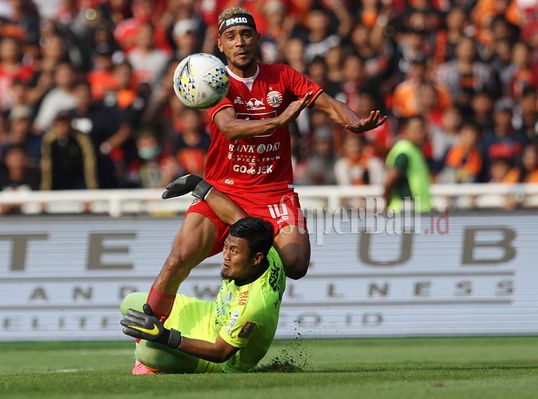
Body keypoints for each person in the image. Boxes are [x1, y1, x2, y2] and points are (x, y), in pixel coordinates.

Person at [144, 6, 386, 323]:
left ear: (257, 38)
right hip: (223, 193)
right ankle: (147, 338)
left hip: (274, 193)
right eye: (231, 37)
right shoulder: (215, 82)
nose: (240, 42)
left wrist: (353, 122)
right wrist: (279, 119)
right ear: (220, 44)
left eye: (245, 34)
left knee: (296, 263)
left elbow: (325, 102)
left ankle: (238, 298)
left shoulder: (282, 75)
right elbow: (229, 127)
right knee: (178, 259)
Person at [121, 179, 284, 374]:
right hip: (211, 316)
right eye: (226, 246)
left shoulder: (253, 306)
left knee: (148, 354)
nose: (225, 256)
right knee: (130, 303)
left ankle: (156, 361)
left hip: (221, 356)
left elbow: (221, 352)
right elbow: (234, 215)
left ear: (256, 259)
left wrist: (165, 337)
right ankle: (158, 357)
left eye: (234, 251)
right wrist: (197, 184)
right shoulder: (267, 251)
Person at [384, 115, 432, 212]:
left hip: (416, 210)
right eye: (416, 130)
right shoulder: (404, 152)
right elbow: (390, 181)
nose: (421, 134)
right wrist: (386, 203)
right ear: (405, 131)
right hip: (406, 210)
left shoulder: (414, 150)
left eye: (422, 129)